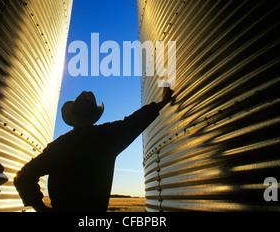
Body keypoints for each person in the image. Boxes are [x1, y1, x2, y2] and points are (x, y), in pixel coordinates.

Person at [14, 87, 174, 212]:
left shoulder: (58, 146)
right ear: (94, 115)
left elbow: (22, 176)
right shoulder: (105, 137)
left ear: (72, 116)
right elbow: (133, 122)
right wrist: (162, 102)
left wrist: (41, 209)